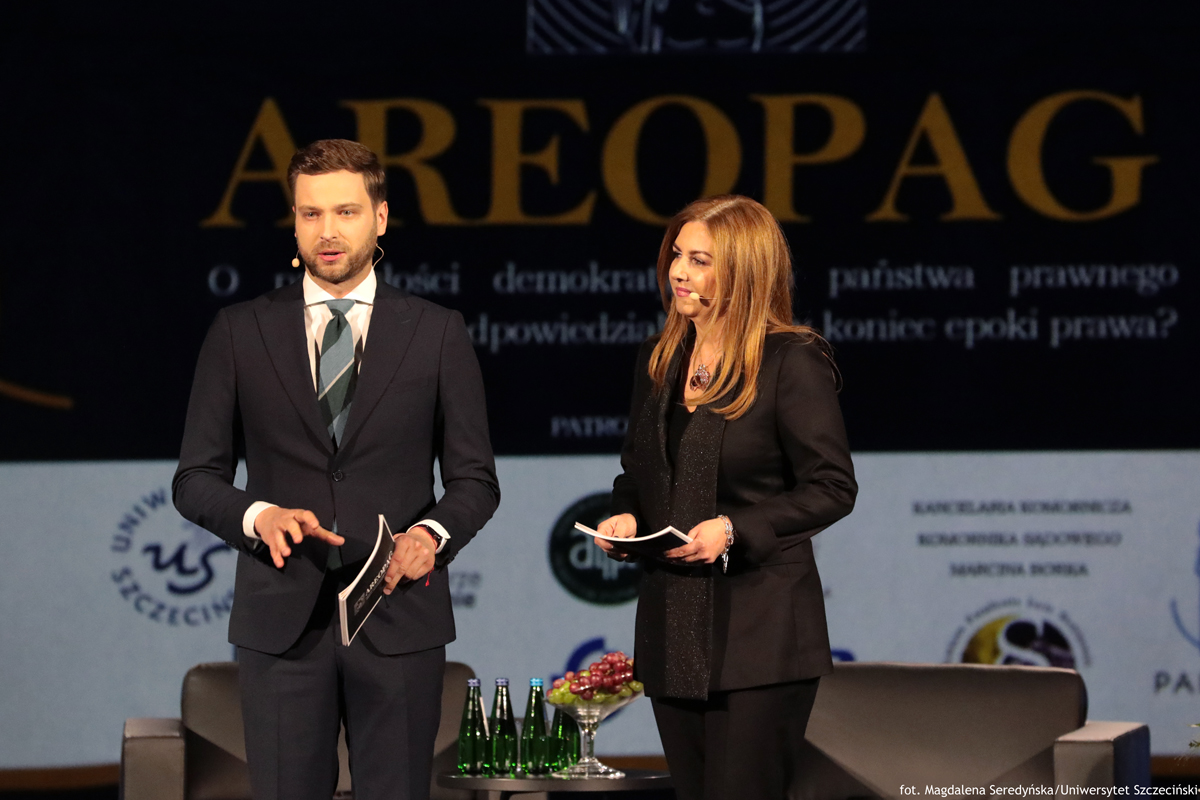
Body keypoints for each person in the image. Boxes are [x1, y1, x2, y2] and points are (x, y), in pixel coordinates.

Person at [173, 139, 500, 800]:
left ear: (380, 217)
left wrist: (431, 536)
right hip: (282, 624)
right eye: (311, 213)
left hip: (399, 614)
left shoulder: (437, 332)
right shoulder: (239, 331)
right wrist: (259, 517)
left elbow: (475, 481)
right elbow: (195, 479)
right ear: (294, 223)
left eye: (345, 212)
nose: (327, 231)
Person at [594, 194, 857, 800]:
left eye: (700, 261)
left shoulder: (790, 360)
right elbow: (638, 471)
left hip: (761, 637)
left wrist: (734, 528)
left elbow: (832, 486)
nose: (679, 273)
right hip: (672, 630)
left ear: (744, 271)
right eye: (677, 256)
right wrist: (627, 515)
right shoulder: (660, 358)